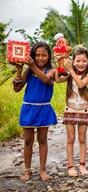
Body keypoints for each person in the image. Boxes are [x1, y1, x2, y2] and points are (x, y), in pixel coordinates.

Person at [12, 42, 57, 181]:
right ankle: (27, 170)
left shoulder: (52, 70)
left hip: (43, 108)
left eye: (44, 55)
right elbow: (17, 89)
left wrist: (32, 66)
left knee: (42, 140)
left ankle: (42, 170)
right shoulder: (29, 71)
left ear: (49, 56)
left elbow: (45, 80)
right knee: (27, 141)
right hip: (29, 108)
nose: (40, 58)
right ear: (32, 55)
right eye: (37, 55)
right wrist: (20, 70)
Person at [55, 47, 88, 176]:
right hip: (70, 109)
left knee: (82, 139)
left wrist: (70, 69)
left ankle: (82, 165)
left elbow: (81, 85)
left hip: (83, 110)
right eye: (78, 61)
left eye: (84, 61)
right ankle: (70, 166)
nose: (81, 64)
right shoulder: (69, 74)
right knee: (70, 138)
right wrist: (59, 65)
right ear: (74, 61)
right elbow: (57, 79)